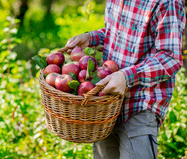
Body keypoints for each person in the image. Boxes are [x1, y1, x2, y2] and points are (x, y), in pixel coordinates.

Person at [62, 0, 186, 158]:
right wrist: (91, 38)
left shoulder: (167, 2)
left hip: (138, 105)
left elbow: (170, 58)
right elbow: (116, 33)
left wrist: (127, 77)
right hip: (105, 104)